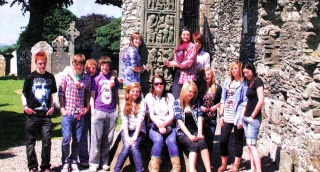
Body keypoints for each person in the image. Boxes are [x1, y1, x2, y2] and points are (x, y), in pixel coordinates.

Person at [21, 51, 57, 172]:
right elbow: (23, 93)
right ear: (36, 63)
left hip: (45, 115)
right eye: (40, 64)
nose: (42, 66)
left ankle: (45, 166)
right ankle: (33, 166)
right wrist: (25, 107)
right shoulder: (30, 77)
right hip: (32, 115)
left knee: (46, 141)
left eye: (44, 63)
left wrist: (52, 106)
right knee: (30, 142)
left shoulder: (50, 77)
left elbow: (51, 94)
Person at [59, 54, 91, 172]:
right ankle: (65, 161)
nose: (79, 66)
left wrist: (87, 106)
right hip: (68, 111)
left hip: (78, 112)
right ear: (73, 64)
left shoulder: (87, 78)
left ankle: (73, 160)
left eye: (81, 64)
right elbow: (61, 92)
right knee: (66, 138)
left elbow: (87, 93)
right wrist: (62, 108)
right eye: (77, 64)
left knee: (77, 138)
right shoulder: (67, 75)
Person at [89, 56, 119, 172]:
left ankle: (104, 161)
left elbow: (116, 95)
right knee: (96, 139)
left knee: (108, 139)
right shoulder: (96, 78)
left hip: (111, 111)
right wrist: (93, 111)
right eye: (103, 65)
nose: (105, 67)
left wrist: (116, 110)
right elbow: (92, 96)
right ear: (100, 66)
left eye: (107, 65)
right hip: (99, 111)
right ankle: (93, 163)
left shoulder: (113, 78)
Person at [145, 75, 180, 172]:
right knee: (158, 140)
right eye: (156, 84)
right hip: (154, 125)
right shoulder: (149, 97)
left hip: (168, 124)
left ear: (164, 84)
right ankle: (154, 168)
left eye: (161, 83)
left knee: (171, 141)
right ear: (153, 85)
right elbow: (151, 114)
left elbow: (171, 114)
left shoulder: (169, 96)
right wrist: (159, 125)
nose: (159, 85)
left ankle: (176, 168)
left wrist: (164, 125)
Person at [174, 81, 211, 172]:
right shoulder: (177, 103)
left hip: (195, 129)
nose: (191, 94)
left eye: (193, 92)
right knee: (193, 145)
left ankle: (208, 170)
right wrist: (189, 136)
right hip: (182, 132)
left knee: (202, 142)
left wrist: (199, 133)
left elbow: (199, 118)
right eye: (190, 91)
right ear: (184, 91)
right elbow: (179, 122)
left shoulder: (196, 102)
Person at [218, 60, 247, 172]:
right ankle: (223, 164)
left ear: (240, 70)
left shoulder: (243, 84)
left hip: (238, 115)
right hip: (227, 115)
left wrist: (241, 119)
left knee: (238, 141)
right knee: (223, 140)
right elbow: (222, 100)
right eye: (232, 69)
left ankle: (236, 165)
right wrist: (221, 115)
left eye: (236, 69)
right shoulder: (227, 82)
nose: (234, 71)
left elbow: (245, 102)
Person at [114, 83, 146, 172]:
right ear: (128, 92)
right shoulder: (124, 102)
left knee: (134, 146)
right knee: (127, 146)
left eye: (137, 92)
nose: (135, 93)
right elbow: (124, 120)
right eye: (133, 91)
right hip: (126, 129)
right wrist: (127, 136)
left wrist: (135, 136)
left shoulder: (142, 102)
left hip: (139, 130)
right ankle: (116, 169)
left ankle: (140, 170)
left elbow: (140, 119)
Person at [198, 67, 222, 170]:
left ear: (212, 76)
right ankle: (200, 162)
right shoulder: (200, 88)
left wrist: (215, 107)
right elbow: (196, 101)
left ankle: (209, 162)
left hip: (212, 118)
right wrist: (200, 108)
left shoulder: (217, 88)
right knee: (201, 140)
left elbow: (222, 101)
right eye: (204, 75)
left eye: (208, 74)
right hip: (201, 118)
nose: (206, 77)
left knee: (210, 140)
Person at [242, 62, 264, 172]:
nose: (246, 74)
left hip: (253, 118)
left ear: (252, 70)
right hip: (246, 117)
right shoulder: (248, 83)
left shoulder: (258, 81)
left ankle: (258, 170)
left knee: (252, 145)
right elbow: (247, 101)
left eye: (248, 72)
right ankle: (252, 168)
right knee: (249, 144)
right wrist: (243, 115)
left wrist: (252, 115)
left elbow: (261, 100)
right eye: (244, 73)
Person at [165, 27, 197, 99]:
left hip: (188, 75)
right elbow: (176, 60)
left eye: (187, 35)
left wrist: (176, 64)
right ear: (181, 35)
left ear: (190, 36)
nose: (185, 37)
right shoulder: (179, 47)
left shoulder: (192, 46)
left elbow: (189, 62)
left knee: (186, 97)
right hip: (178, 74)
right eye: (184, 35)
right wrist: (170, 63)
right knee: (176, 95)